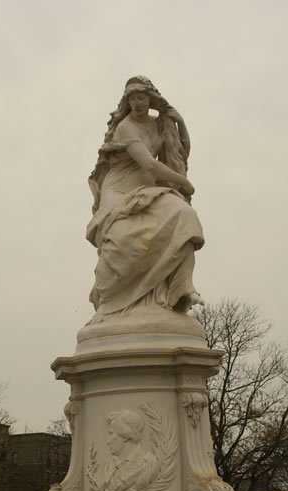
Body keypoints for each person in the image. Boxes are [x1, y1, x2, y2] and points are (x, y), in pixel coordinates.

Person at [87, 75, 205, 320]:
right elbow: (150, 165)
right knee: (120, 237)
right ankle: (111, 303)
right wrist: (182, 182)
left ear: (150, 99)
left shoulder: (158, 124)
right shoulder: (126, 127)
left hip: (150, 191)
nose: (137, 103)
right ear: (127, 101)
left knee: (184, 214)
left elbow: (181, 152)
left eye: (141, 97)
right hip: (119, 191)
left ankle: (182, 288)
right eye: (132, 98)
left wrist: (180, 122)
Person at [95, 410, 160, 491]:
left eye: (111, 434)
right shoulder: (106, 467)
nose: (108, 441)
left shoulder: (150, 464)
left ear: (126, 435)